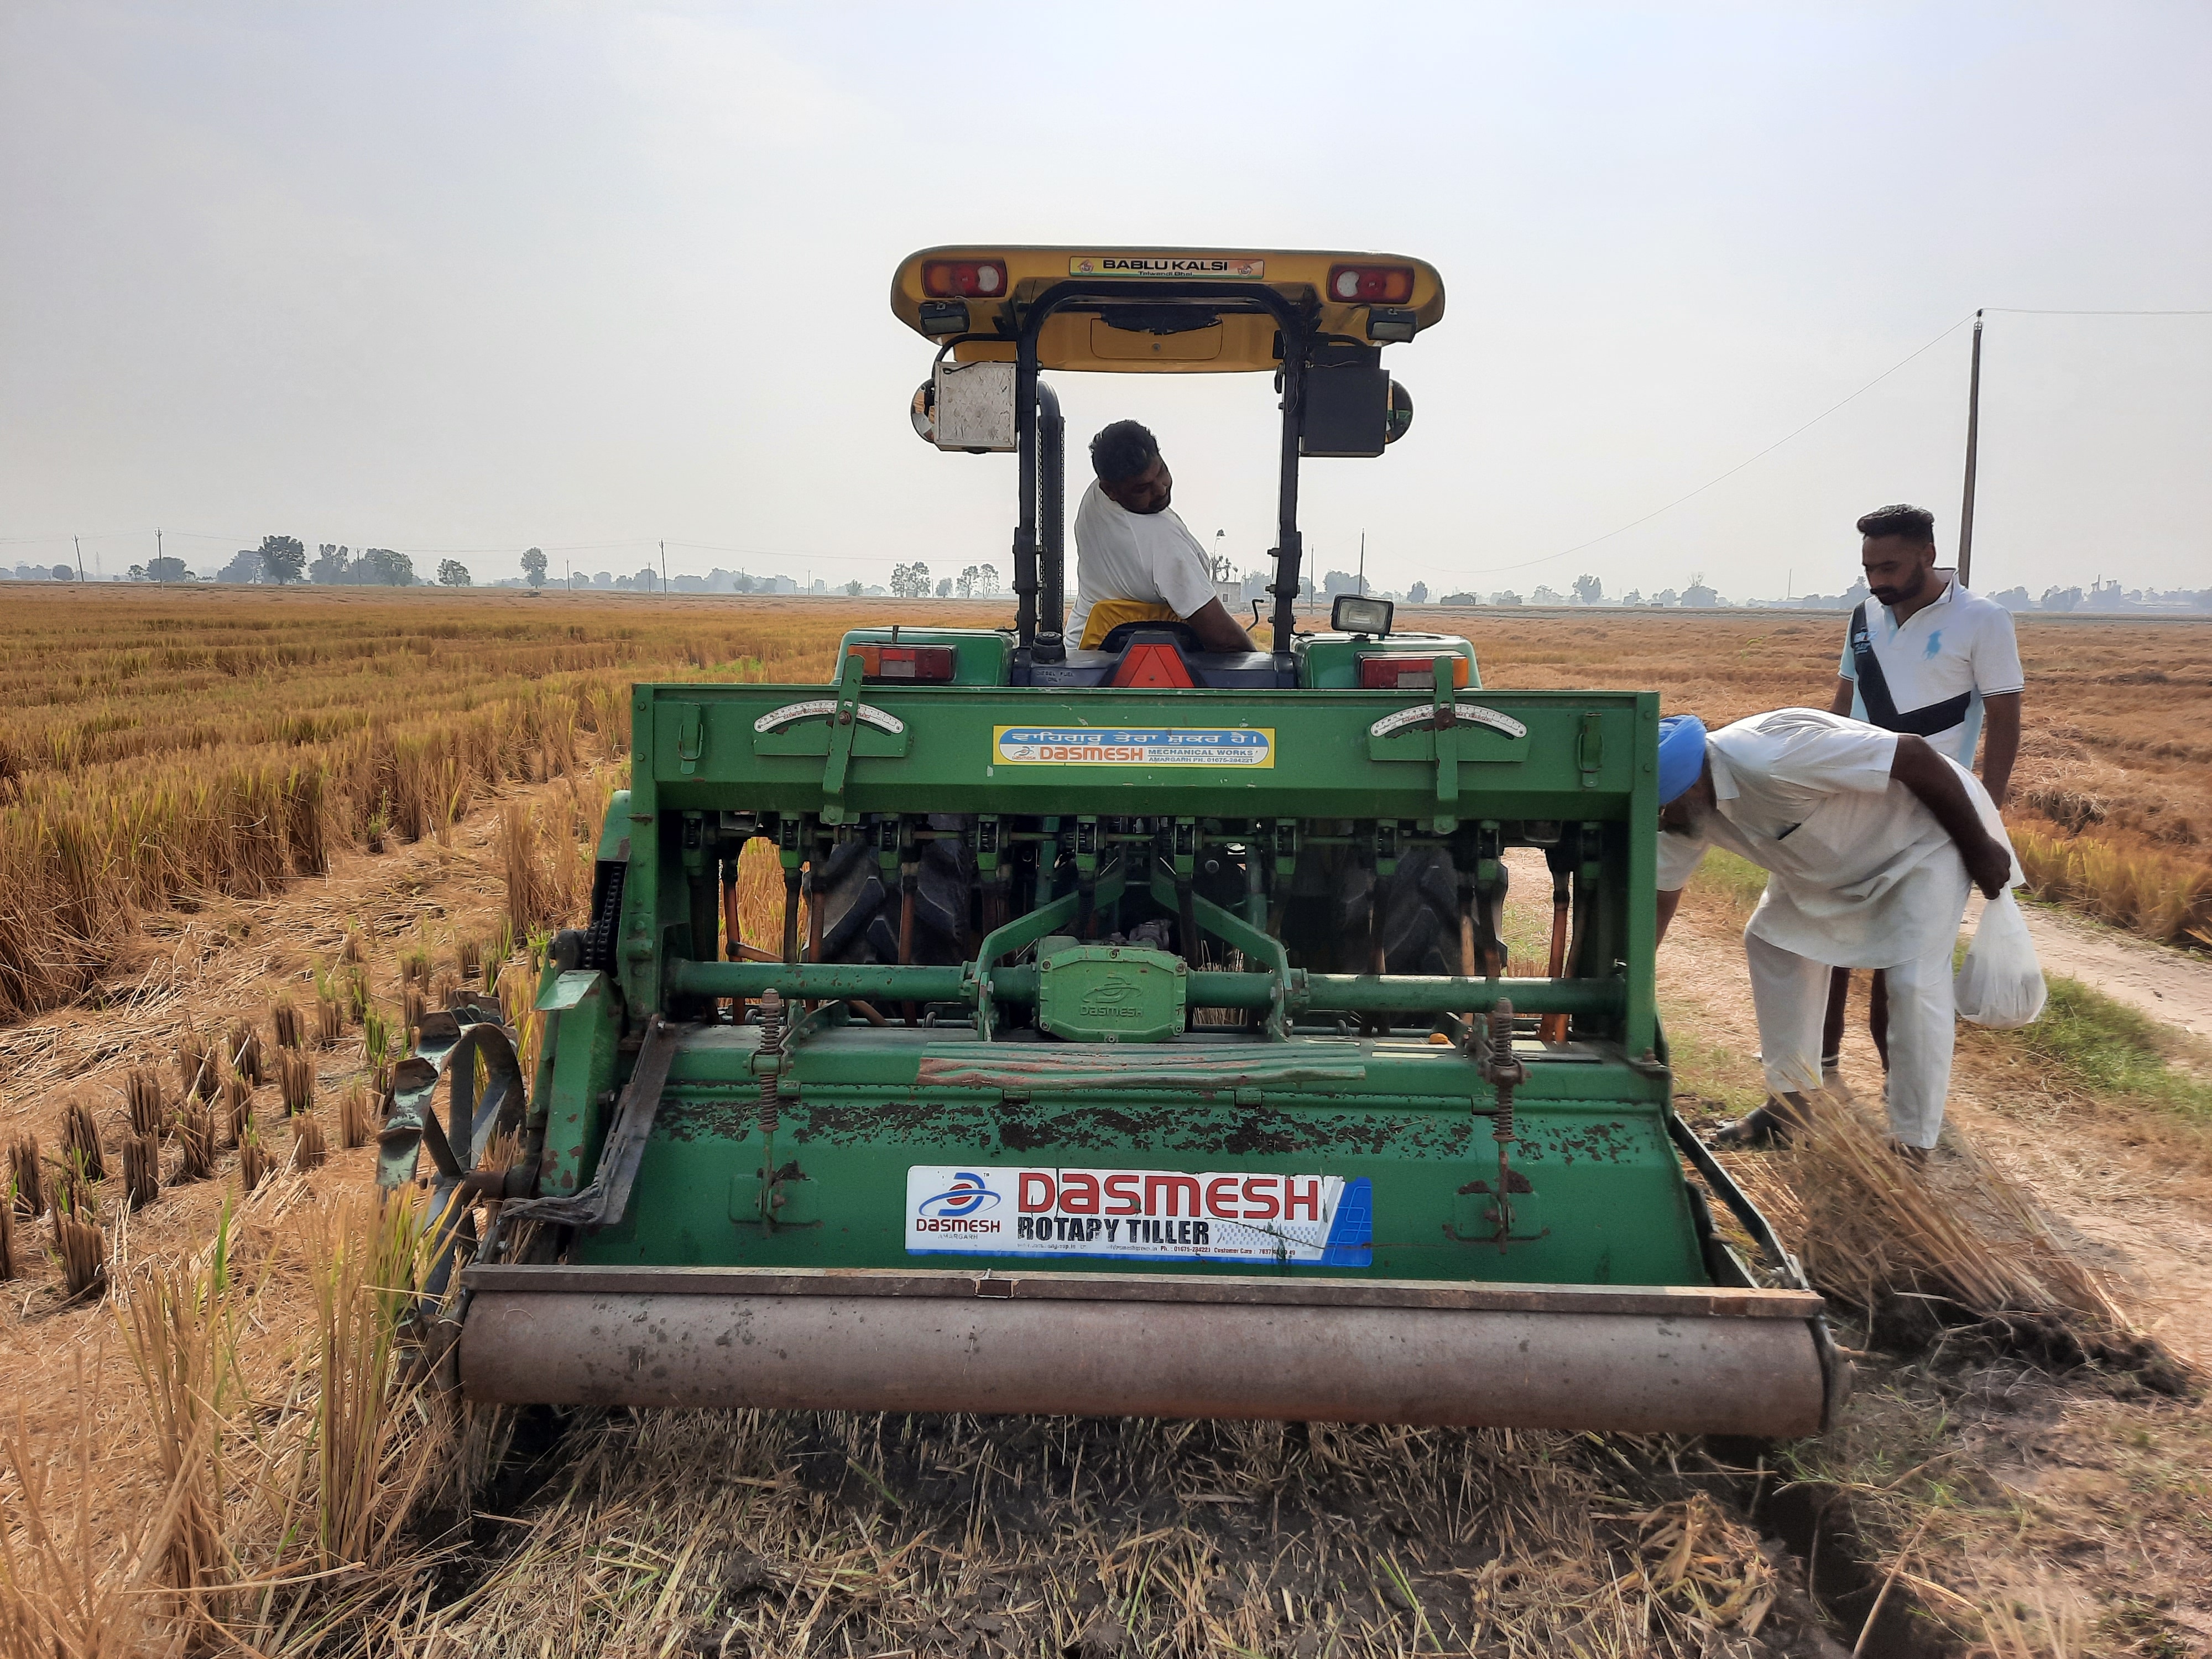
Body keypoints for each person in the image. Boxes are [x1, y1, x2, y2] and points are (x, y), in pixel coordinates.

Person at [1652, 707, 2018, 1157]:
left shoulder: (1771, 759)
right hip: (1833, 861)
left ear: (1693, 783)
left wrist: (1978, 844)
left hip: (1924, 842)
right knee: (1772, 942)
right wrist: (1627, 983)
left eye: (1663, 809)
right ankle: (1790, 1109)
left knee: (1913, 980)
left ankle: (1912, 1144)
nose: (1660, 822)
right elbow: (1659, 898)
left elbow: (1913, 754)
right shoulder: (1681, 811)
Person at [1820, 504, 2024, 1100]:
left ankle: (1899, 1091)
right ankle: (1819, 1075)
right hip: (1854, 802)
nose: (1877, 580)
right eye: (1868, 568)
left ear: (1927, 556)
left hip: (1935, 814)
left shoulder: (1983, 620)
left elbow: (2005, 719)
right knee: (1824, 941)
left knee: (1902, 963)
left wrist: (1986, 808)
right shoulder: (1863, 618)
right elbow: (1844, 703)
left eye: (1889, 566)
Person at [1067, 420, 1256, 653]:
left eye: (1161, 472)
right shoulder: (1163, 542)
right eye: (1142, 488)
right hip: (1124, 664)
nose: (1161, 489)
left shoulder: (1094, 497)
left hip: (1080, 652)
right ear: (1111, 491)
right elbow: (1224, 639)